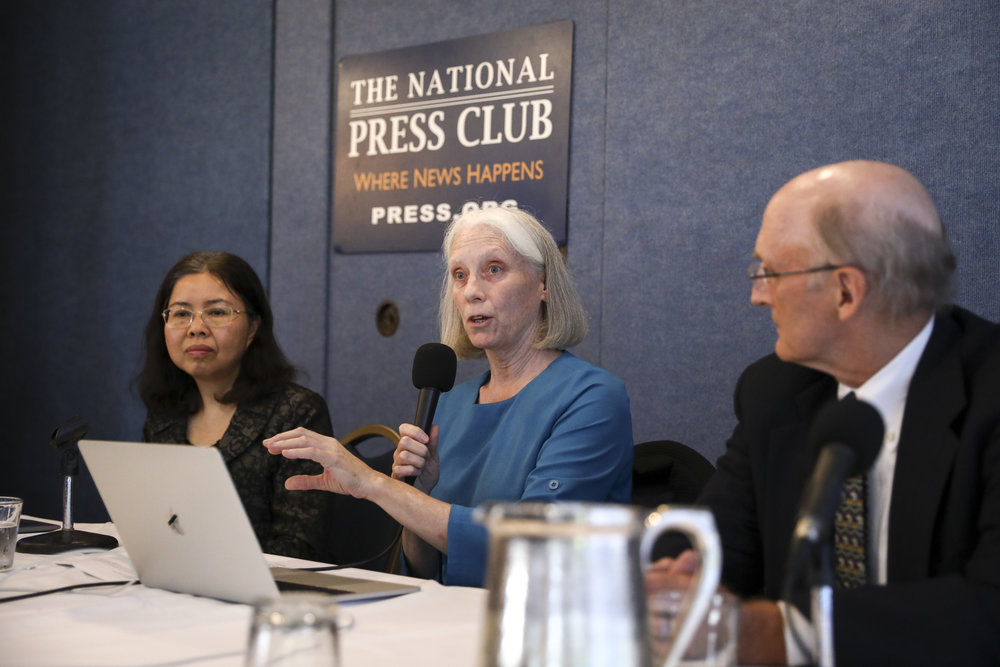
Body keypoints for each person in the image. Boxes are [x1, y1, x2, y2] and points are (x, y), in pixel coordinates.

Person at [648, 160, 1000, 665]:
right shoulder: (774, 390)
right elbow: (714, 540)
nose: (756, 295)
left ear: (845, 291)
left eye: (770, 271)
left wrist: (775, 636)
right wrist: (668, 584)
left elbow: (989, 610)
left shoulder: (989, 390)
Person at [263, 206, 634, 586]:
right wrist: (417, 495)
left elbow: (528, 546)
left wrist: (374, 484)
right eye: (460, 275)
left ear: (544, 284)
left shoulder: (591, 398)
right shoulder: (450, 403)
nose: (472, 291)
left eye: (494, 269)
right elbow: (426, 571)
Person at [137, 251, 336, 561]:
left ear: (253, 328)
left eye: (216, 313)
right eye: (180, 313)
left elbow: (298, 548)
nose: (196, 327)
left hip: (261, 599)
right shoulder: (164, 415)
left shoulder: (295, 412)